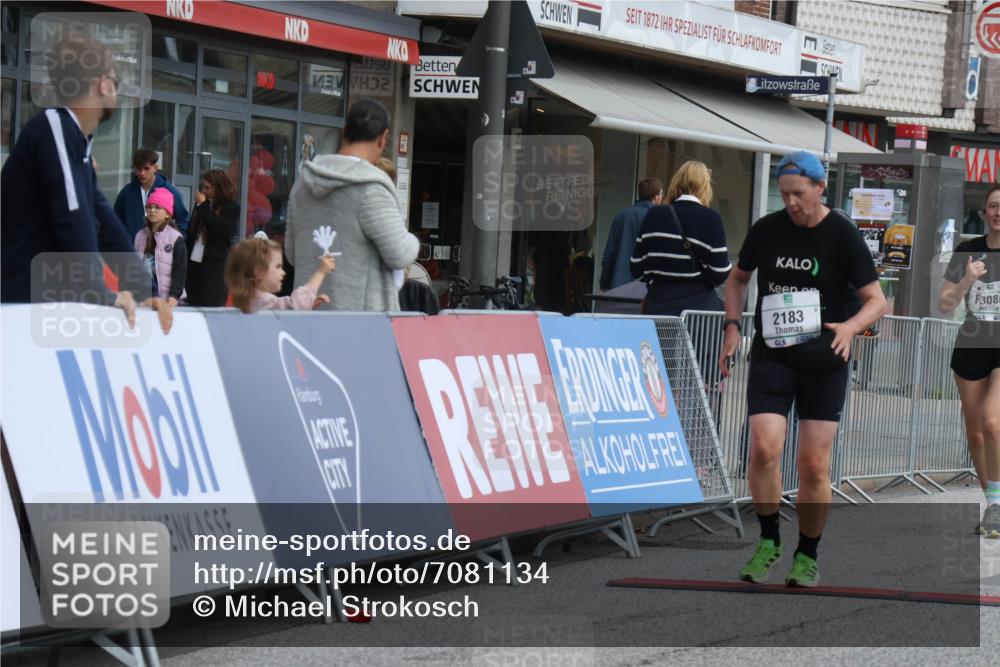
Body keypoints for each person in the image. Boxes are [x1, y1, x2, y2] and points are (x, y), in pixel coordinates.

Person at [717, 151, 887, 587]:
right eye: (785, 194)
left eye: (799, 194)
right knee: (763, 449)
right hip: (774, 357)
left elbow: (877, 300)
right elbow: (737, 279)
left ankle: (807, 553)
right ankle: (769, 540)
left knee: (812, 465)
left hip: (824, 362)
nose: (791, 203)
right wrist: (732, 327)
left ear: (819, 188)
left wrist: (850, 327)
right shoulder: (767, 230)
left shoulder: (843, 236)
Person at [0, 36, 171, 333]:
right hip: (19, 309)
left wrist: (144, 293)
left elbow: (105, 225)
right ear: (103, 84)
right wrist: (99, 293)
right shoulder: (54, 127)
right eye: (116, 82)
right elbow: (74, 220)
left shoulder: (78, 143)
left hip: (43, 308)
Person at [285, 98, 418, 312]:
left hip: (308, 318)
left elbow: (292, 254)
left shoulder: (301, 185)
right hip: (361, 323)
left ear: (344, 130)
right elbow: (400, 252)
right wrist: (414, 240)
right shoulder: (371, 189)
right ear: (383, 138)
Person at [938, 184, 1000, 538]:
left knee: (993, 423)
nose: (997, 212)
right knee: (975, 432)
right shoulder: (967, 250)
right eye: (992, 206)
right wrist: (966, 279)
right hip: (973, 343)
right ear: (985, 212)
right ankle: (993, 503)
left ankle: (996, 507)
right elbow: (944, 304)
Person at [631, 162, 731, 315]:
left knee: (658, 340)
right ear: (705, 186)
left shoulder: (654, 214)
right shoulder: (711, 219)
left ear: (676, 182)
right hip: (697, 314)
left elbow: (636, 266)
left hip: (658, 307)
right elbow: (720, 273)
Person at [225, 235, 335, 314]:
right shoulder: (263, 301)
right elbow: (294, 307)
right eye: (278, 267)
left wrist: (308, 305)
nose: (283, 272)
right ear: (258, 272)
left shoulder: (246, 298)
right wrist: (321, 272)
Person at [186, 168, 239, 307]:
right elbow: (192, 230)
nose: (203, 191)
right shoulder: (201, 205)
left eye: (207, 188)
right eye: (202, 187)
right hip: (195, 262)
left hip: (214, 266)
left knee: (211, 303)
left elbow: (219, 229)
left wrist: (203, 206)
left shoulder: (230, 207)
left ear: (218, 188)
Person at [600, 178, 662, 291]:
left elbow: (609, 254)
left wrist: (604, 284)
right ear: (656, 197)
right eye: (661, 194)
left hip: (618, 286)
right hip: (646, 288)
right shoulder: (658, 218)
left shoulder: (621, 216)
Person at [114, 147, 190, 239]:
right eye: (139, 169)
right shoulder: (127, 192)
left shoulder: (169, 191)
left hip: (160, 250)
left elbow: (183, 220)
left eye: (146, 169)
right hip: (132, 249)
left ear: (155, 168)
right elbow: (115, 220)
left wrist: (172, 242)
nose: (142, 173)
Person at [134, 188, 186, 306]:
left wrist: (174, 296)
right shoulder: (139, 235)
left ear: (167, 213)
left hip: (169, 300)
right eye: (149, 207)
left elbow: (180, 271)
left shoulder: (175, 238)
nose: (152, 210)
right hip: (145, 299)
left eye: (157, 207)